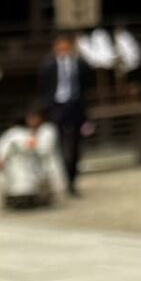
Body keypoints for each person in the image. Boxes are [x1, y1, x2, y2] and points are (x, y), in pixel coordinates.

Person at [37, 31, 90, 195]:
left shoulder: (80, 64)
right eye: (60, 47)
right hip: (56, 107)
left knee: (75, 146)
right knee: (56, 145)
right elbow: (43, 87)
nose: (63, 50)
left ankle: (72, 180)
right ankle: (60, 178)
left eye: (66, 46)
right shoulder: (48, 65)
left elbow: (87, 84)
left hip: (75, 106)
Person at [0, 102, 64, 209]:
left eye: (33, 118)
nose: (31, 121)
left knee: (42, 183)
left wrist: (32, 145)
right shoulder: (21, 134)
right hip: (23, 165)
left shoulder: (47, 129)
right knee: (22, 183)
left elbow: (43, 148)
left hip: (40, 163)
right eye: (29, 118)